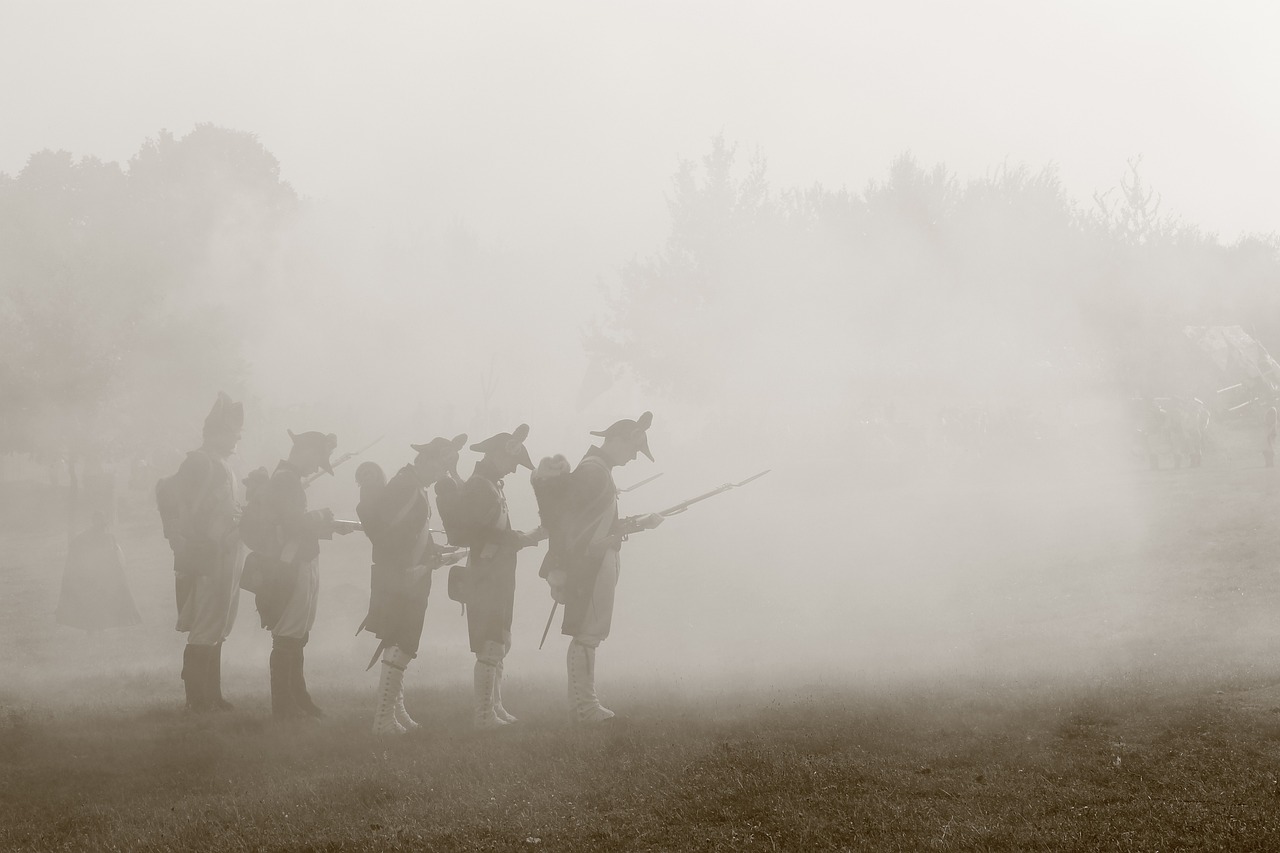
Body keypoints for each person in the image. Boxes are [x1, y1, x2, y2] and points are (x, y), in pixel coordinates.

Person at [356, 435, 467, 736]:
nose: (442, 473)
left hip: (411, 575)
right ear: (427, 461)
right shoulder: (405, 485)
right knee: (399, 643)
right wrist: (408, 567)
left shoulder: (413, 484)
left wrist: (435, 551)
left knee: (403, 644)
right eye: (441, 466)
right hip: (402, 577)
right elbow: (386, 531)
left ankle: (394, 710)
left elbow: (412, 530)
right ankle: (382, 720)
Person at [557, 412, 662, 723]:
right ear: (617, 441)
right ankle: (584, 707)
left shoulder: (600, 471)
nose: (632, 459)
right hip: (589, 563)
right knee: (587, 633)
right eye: (632, 450)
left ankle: (584, 705)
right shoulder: (593, 472)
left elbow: (600, 521)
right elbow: (570, 524)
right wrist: (562, 568)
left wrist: (640, 523)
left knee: (591, 633)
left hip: (597, 559)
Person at [156, 392, 244, 713]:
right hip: (206, 555)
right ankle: (197, 699)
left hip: (228, 554)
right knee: (206, 624)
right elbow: (170, 496)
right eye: (232, 431)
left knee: (219, 624)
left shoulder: (225, 466)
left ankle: (212, 694)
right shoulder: (199, 462)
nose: (237, 437)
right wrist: (179, 537)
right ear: (216, 432)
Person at [453, 424, 542, 729]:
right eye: (513, 462)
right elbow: (477, 533)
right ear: (498, 455)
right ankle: (483, 715)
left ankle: (495, 706)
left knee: (499, 641)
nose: (515, 470)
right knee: (490, 642)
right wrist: (523, 538)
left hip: (498, 572)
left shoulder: (490, 484)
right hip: (487, 573)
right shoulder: (479, 485)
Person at [258, 429, 344, 721]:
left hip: (301, 559)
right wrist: (320, 516)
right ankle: (284, 707)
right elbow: (293, 525)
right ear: (305, 451)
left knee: (298, 633)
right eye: (317, 459)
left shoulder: (289, 479)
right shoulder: (285, 480)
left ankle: (298, 697)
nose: (317, 467)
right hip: (291, 562)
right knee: (288, 634)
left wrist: (329, 526)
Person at [55, 511, 141, 633]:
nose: (102, 527)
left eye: (103, 524)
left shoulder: (108, 538)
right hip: (93, 576)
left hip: (103, 577)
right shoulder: (88, 539)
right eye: (100, 524)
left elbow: (116, 558)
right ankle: (94, 626)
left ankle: (98, 626)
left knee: (100, 601)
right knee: (94, 602)